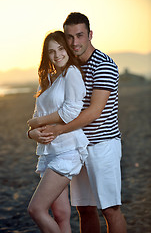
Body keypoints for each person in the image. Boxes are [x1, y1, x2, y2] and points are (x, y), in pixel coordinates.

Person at [29, 13, 127, 233]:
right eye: (70, 37)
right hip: (77, 145)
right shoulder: (69, 68)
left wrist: (57, 130)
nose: (74, 42)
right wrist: (36, 131)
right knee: (85, 209)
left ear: (90, 35)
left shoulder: (103, 64)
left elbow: (93, 112)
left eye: (80, 35)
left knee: (110, 209)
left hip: (102, 144)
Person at [27, 30, 89, 233]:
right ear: (47, 55)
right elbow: (36, 115)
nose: (57, 55)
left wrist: (38, 121)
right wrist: (32, 133)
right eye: (51, 52)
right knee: (61, 214)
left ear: (68, 49)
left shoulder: (71, 72)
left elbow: (71, 111)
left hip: (68, 150)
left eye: (61, 49)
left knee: (36, 209)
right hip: (48, 152)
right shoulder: (47, 78)